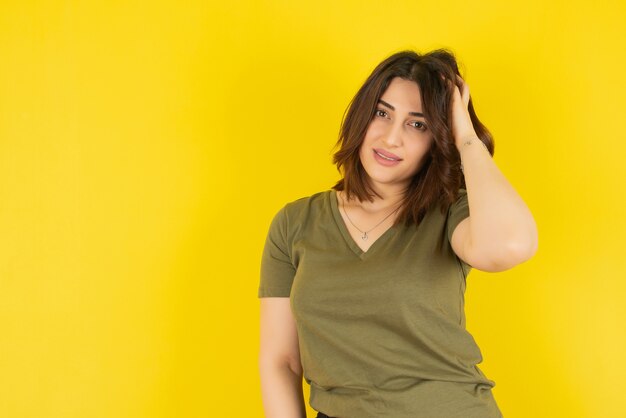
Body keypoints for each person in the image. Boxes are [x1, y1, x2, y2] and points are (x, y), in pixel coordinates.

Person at [257, 49, 538, 418]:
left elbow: (509, 246)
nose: (391, 138)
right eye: (382, 113)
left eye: (417, 124)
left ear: (438, 138)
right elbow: (282, 361)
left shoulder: (450, 211)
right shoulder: (295, 223)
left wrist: (466, 137)